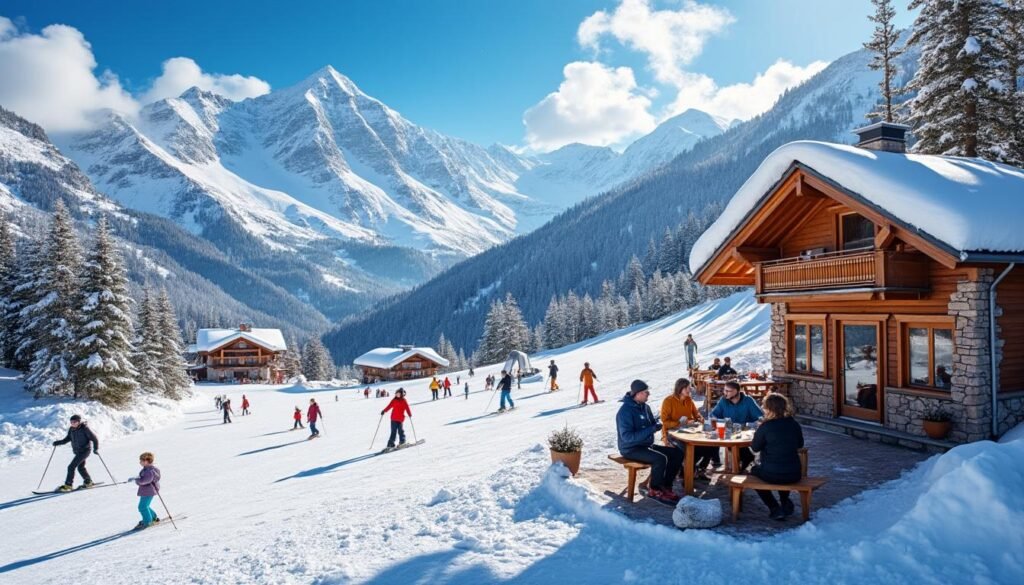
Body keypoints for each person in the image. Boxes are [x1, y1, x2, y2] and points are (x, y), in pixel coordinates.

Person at [616, 380, 682, 503]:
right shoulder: (625, 412)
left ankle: (666, 487)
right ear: (638, 393)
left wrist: (656, 423)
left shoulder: (645, 407)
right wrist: (651, 429)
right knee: (660, 459)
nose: (649, 394)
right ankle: (654, 490)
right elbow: (627, 437)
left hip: (645, 445)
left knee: (677, 453)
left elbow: (651, 423)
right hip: (630, 448)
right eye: (646, 392)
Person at [749, 393, 804, 521]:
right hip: (794, 473)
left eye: (764, 406)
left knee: (752, 472)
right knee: (782, 469)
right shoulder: (794, 424)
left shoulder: (766, 426)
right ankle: (784, 501)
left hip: (771, 474)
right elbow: (800, 444)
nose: (762, 408)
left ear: (769, 409)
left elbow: (755, 447)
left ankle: (774, 508)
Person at [660, 378, 717, 479]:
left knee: (710, 444)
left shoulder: (688, 400)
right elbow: (664, 422)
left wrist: (704, 422)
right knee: (689, 448)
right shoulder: (668, 401)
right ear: (679, 388)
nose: (689, 389)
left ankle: (700, 469)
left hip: (690, 432)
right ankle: (687, 471)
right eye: (687, 387)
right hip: (672, 434)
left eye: (689, 387)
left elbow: (697, 414)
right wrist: (679, 423)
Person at [710, 381, 763, 471]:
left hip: (744, 432)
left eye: (728, 391)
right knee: (717, 437)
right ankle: (744, 460)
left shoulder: (748, 400)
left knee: (734, 442)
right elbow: (713, 415)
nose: (725, 393)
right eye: (724, 390)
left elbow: (760, 417)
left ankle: (742, 463)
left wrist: (750, 425)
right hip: (728, 432)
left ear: (736, 391)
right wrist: (718, 421)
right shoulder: (723, 400)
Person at [52, 414, 99, 491]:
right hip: (77, 452)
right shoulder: (71, 429)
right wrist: (58, 443)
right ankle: (88, 481)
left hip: (85, 451)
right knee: (80, 467)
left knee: (71, 467)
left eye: (74, 422)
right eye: (71, 422)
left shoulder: (85, 429)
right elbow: (66, 439)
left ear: (79, 422)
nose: (73, 423)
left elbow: (94, 439)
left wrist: (95, 449)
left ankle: (68, 485)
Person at [130, 451, 161, 530]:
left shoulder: (149, 471)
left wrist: (137, 480)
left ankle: (148, 521)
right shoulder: (147, 469)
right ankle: (153, 517)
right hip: (147, 490)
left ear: (146, 461)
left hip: (149, 491)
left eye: (141, 461)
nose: (140, 462)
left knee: (142, 507)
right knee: (145, 505)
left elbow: (145, 480)